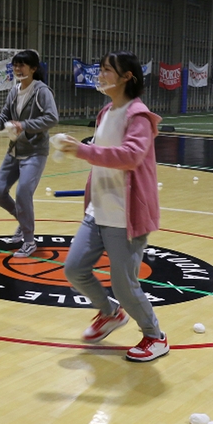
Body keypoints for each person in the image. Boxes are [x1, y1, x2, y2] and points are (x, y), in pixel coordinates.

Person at [58, 50, 167, 363]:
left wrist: (83, 151)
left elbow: (130, 156)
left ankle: (155, 336)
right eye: (101, 69)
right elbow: (102, 152)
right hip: (98, 210)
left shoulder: (139, 117)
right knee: (75, 269)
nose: (100, 74)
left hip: (125, 215)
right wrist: (82, 147)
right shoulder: (106, 112)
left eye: (107, 70)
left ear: (126, 77)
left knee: (124, 285)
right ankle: (110, 313)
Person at [0, 50, 58, 258]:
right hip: (14, 150)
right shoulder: (14, 91)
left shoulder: (41, 91)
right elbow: (4, 118)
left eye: (22, 65)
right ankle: (23, 222)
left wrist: (24, 125)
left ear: (33, 69)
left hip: (35, 152)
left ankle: (29, 241)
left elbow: (52, 118)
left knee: (23, 192)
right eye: (15, 65)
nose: (17, 69)